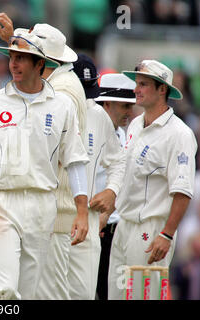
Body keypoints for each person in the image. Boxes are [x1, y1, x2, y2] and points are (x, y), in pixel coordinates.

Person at [0, 28, 89, 300]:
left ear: (40, 64)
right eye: (12, 57)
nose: (14, 64)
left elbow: (75, 161)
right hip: (1, 202)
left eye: (22, 58)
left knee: (27, 293)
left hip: (43, 205)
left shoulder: (62, 105)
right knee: (2, 291)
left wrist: (81, 211)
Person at [108, 59, 197, 300]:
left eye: (144, 84)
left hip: (151, 230)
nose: (136, 89)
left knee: (143, 297)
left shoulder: (180, 134)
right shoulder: (136, 124)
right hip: (124, 225)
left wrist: (167, 234)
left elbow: (182, 190)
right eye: (137, 83)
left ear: (162, 90)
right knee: (116, 296)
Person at [67, 56, 127, 300]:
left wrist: (112, 191)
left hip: (91, 221)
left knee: (85, 293)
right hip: (52, 216)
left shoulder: (96, 114)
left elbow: (118, 161)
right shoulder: (53, 108)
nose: (87, 98)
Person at [93, 72, 136, 300]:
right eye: (124, 106)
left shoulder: (124, 134)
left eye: (131, 106)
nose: (130, 112)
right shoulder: (90, 134)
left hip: (116, 230)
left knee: (114, 294)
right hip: (94, 228)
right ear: (107, 103)